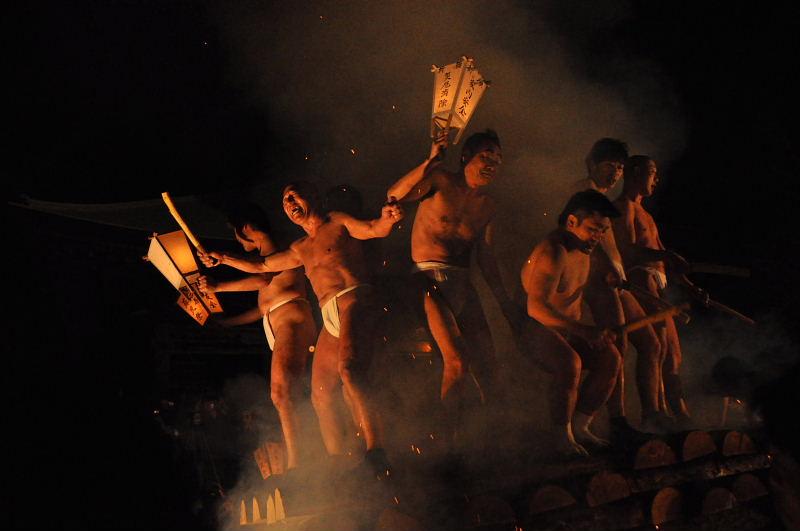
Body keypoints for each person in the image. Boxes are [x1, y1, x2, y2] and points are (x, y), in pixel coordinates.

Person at [199, 182, 403, 476]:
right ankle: (339, 461)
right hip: (328, 313)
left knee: (349, 370)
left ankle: (376, 450)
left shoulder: (338, 221)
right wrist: (223, 258)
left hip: (353, 300)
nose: (289, 202)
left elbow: (373, 228)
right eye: (284, 201)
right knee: (320, 393)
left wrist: (389, 218)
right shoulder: (299, 247)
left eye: (294, 195)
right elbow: (262, 267)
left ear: (314, 196)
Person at [386, 129, 519, 449]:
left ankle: (496, 444)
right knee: (457, 360)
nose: (492, 164)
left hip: (462, 281)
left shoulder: (488, 205)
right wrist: (430, 161)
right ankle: (448, 444)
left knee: (490, 367)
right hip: (426, 279)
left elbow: (485, 257)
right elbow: (395, 194)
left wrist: (504, 301)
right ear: (465, 157)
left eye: (497, 159)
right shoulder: (441, 180)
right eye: (486, 156)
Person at [196, 202, 317, 469]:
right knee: (286, 394)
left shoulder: (275, 250)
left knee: (282, 393)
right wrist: (227, 323)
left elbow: (262, 277)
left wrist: (219, 283)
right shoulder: (262, 257)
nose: (238, 241)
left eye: (237, 234)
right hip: (279, 320)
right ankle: (301, 459)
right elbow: (263, 308)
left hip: (291, 320)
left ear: (248, 228)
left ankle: (299, 464)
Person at [571, 139, 663, 438]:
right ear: (592, 163)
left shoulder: (601, 198)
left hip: (617, 281)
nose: (615, 173)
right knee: (617, 348)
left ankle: (651, 415)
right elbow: (579, 240)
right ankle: (616, 421)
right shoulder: (582, 192)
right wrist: (603, 272)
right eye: (610, 165)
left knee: (649, 343)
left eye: (620, 168)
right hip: (599, 283)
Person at [520, 190, 623, 456]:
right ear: (571, 222)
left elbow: (589, 279)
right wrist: (585, 330)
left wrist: (608, 276)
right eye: (593, 229)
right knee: (570, 363)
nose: (598, 236)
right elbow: (535, 307)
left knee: (611, 359)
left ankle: (580, 427)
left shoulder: (586, 248)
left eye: (603, 230)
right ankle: (560, 436)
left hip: (569, 329)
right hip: (538, 329)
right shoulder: (553, 252)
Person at [613, 156, 691, 426]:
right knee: (656, 347)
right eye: (652, 173)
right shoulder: (624, 207)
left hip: (658, 282)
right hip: (641, 279)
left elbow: (662, 261)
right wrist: (666, 254)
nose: (656, 180)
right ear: (635, 173)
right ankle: (654, 413)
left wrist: (691, 287)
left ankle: (679, 414)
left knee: (673, 354)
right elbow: (628, 250)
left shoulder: (646, 214)